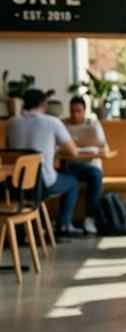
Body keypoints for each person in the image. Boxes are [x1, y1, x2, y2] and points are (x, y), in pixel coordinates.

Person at [7, 88, 84, 238]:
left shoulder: (12, 123)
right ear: (44, 104)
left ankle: (25, 230)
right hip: (42, 183)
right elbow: (73, 152)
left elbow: (10, 150)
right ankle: (63, 225)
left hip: (16, 184)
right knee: (73, 182)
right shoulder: (52, 122)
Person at [62, 95, 107, 234]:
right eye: (72, 111)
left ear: (85, 110)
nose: (75, 115)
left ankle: (90, 219)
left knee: (96, 175)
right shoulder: (62, 124)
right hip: (69, 164)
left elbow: (104, 148)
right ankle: (64, 223)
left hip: (90, 165)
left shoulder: (93, 124)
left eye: (78, 111)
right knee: (69, 180)